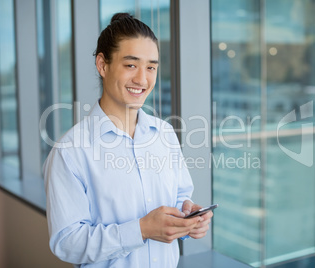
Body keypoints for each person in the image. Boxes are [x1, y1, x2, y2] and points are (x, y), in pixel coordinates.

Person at [43, 13, 213, 268]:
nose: (142, 79)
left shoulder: (164, 134)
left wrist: (187, 216)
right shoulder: (71, 151)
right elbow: (67, 242)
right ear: (103, 65)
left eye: (151, 67)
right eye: (131, 65)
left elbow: (179, 196)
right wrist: (141, 230)